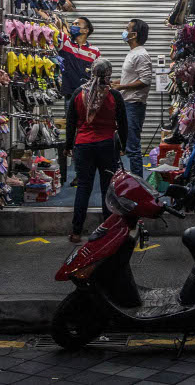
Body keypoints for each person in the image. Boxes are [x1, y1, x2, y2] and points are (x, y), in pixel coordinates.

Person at [65, 58, 127, 243]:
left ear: (91, 72)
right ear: (109, 74)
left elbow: (70, 123)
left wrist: (69, 145)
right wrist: (123, 145)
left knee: (84, 187)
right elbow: (123, 125)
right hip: (107, 146)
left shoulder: (78, 93)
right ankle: (107, 231)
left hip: (83, 146)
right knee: (107, 188)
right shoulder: (114, 95)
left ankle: (76, 232)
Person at [57, 17, 99, 185]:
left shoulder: (95, 51)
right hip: (70, 95)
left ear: (85, 30)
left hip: (87, 97)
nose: (73, 26)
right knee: (73, 134)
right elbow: (57, 28)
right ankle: (78, 172)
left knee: (87, 132)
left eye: (77, 24)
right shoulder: (65, 43)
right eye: (72, 24)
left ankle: (86, 169)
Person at [112, 18, 153, 176]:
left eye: (127, 29)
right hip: (126, 104)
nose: (124, 31)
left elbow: (145, 80)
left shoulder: (141, 55)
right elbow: (132, 77)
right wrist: (116, 82)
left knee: (132, 147)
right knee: (122, 144)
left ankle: (139, 183)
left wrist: (121, 87)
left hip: (133, 105)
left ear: (134, 34)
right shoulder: (133, 53)